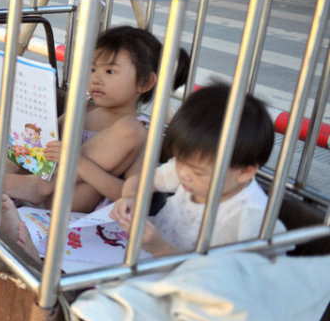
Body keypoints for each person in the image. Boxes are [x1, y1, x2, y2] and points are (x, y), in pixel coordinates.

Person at [0, 26, 189, 213]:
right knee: (33, 137)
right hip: (32, 186)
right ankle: (10, 174)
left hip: (71, 202)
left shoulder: (139, 131)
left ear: (144, 83)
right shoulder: (84, 107)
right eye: (93, 69)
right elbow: (44, 144)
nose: (96, 78)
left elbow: (130, 194)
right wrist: (11, 145)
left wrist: (77, 163)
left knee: (130, 129)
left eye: (109, 71)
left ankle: (39, 185)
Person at [111, 83, 284, 255]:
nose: (183, 174)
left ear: (245, 172)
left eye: (198, 171)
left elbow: (245, 277)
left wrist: (161, 249)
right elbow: (141, 181)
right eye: (179, 160)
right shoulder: (190, 167)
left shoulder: (253, 218)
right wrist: (130, 199)